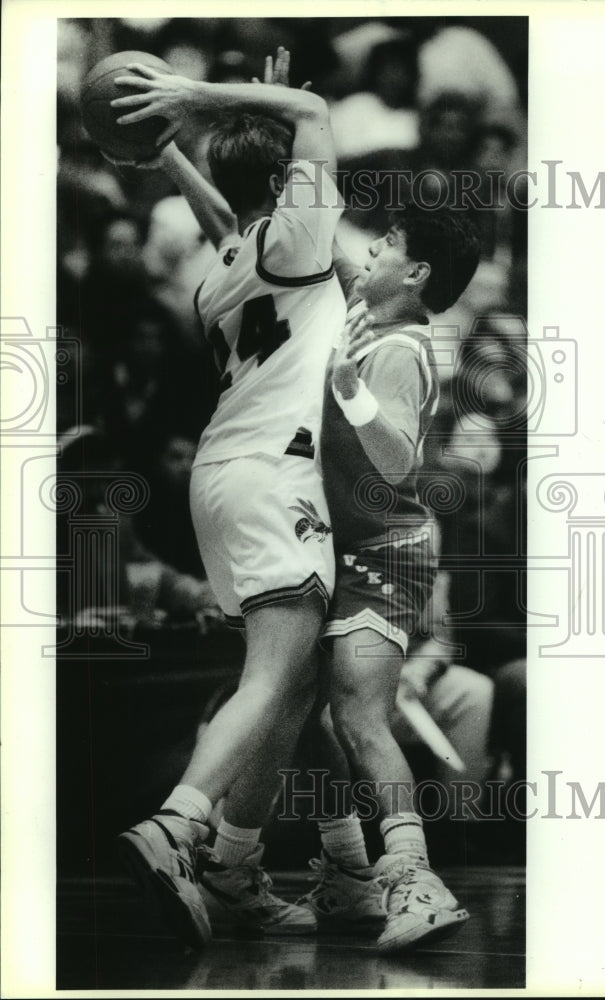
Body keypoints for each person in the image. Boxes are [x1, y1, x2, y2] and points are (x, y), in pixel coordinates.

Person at [110, 49, 346, 947]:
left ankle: (236, 867)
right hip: (274, 473)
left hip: (222, 479)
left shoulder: (227, 263)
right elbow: (314, 109)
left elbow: (224, 212)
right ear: (290, 180)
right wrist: (195, 98)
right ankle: (179, 824)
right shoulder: (299, 236)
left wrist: (166, 151)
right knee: (276, 676)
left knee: (299, 682)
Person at [295, 203, 481, 952]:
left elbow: (400, 460)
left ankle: (414, 880)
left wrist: (346, 389)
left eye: (388, 244)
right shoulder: (370, 314)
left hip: (387, 552)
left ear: (416, 274)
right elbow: (326, 248)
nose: (369, 250)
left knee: (359, 715)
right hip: (346, 546)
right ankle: (348, 876)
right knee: (307, 717)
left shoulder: (399, 348)